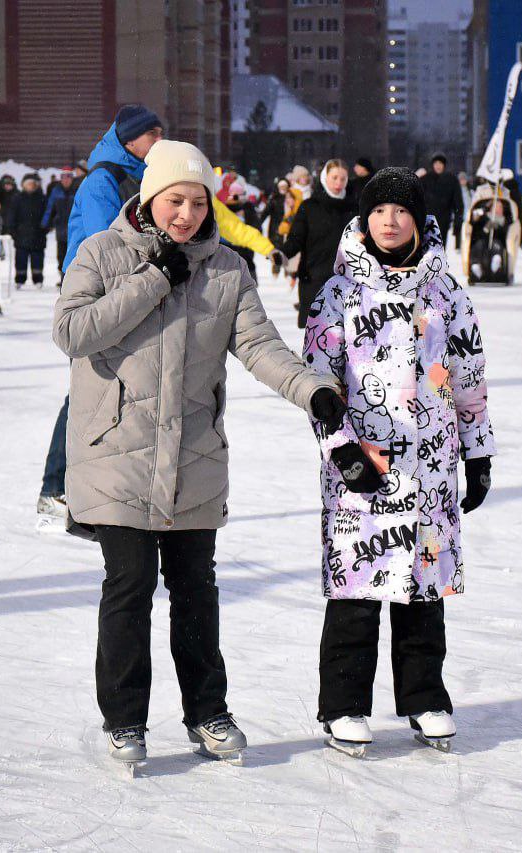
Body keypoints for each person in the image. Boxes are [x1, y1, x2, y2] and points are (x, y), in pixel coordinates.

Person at [52, 139, 338, 766]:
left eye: (196, 201)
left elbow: (261, 346)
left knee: (195, 591)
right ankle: (124, 720)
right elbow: (72, 332)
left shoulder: (228, 270)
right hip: (115, 451)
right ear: (150, 198)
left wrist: (312, 390)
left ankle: (207, 711)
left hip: (193, 455)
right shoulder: (103, 253)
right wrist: (154, 279)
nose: (185, 214)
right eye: (174, 200)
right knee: (128, 585)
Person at [301, 167, 494, 754]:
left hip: (432, 465)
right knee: (357, 589)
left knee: (423, 589)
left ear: (418, 220)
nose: (389, 220)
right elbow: (317, 382)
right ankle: (343, 705)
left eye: (401, 210)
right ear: (364, 219)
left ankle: (425, 697)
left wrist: (478, 450)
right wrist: (341, 451)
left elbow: (469, 374)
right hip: (363, 466)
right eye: (379, 210)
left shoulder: (445, 291)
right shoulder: (338, 292)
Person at [38, 104, 164, 522]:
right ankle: (54, 487)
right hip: (94, 296)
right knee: (89, 393)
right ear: (131, 141)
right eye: (153, 133)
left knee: (119, 389)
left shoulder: (139, 178)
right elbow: (104, 245)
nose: (160, 139)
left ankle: (106, 486)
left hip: (128, 293)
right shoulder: (102, 181)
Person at [279, 159, 358, 328]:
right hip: (314, 277)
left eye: (343, 178)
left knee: (347, 335)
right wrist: (282, 253)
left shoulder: (354, 208)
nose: (338, 183)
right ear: (324, 178)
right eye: (334, 177)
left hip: (347, 280)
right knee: (317, 336)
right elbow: (296, 238)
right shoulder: (309, 207)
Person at [6, 173, 49, 288]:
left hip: (38, 235)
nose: (30, 186)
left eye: (32, 184)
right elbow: (11, 216)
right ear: (24, 185)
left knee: (38, 259)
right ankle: (20, 280)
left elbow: (48, 215)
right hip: (21, 236)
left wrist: (45, 228)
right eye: (28, 184)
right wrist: (13, 231)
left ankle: (38, 279)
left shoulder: (42, 198)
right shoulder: (17, 198)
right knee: (20, 260)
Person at [420, 154, 463, 252]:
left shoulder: (451, 180)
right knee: (426, 250)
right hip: (427, 220)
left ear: (444, 165)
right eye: (436, 163)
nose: (438, 166)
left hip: (444, 220)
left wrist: (457, 220)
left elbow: (458, 203)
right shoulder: (425, 179)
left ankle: (439, 265)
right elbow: (417, 198)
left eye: (440, 163)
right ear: (432, 165)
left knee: (440, 249)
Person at [40, 168, 76, 283]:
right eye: (63, 177)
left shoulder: (77, 190)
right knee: (61, 255)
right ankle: (63, 277)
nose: (66, 180)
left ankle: (73, 279)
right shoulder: (56, 191)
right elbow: (50, 208)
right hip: (60, 228)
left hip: (74, 229)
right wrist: (45, 223)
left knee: (74, 254)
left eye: (68, 177)